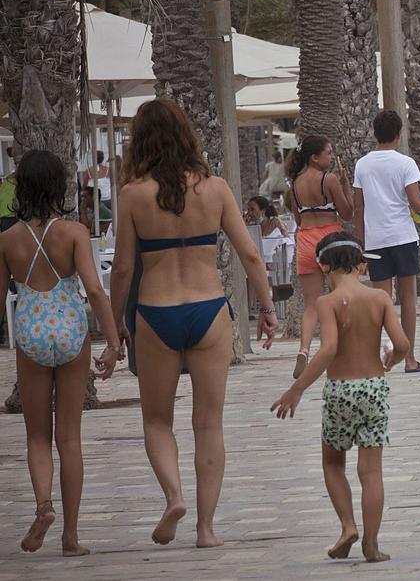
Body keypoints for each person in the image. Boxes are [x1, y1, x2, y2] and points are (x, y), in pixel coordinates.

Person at [109, 98, 276, 548]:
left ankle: (174, 496)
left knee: (157, 420)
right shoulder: (216, 188)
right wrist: (267, 309)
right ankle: (206, 529)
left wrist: (113, 326)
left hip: (156, 312)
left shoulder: (132, 195)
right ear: (186, 134)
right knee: (209, 422)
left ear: (138, 141)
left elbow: (123, 268)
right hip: (208, 310)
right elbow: (251, 254)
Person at [1, 151, 121, 556]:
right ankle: (71, 537)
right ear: (57, 185)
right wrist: (114, 341)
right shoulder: (74, 232)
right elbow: (94, 289)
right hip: (72, 333)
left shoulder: (7, 241)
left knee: (37, 435)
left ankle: (43, 505)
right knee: (69, 437)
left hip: (31, 335)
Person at [271, 231, 410, 564]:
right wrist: (394, 359)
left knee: (333, 462)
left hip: (340, 392)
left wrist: (297, 388)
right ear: (361, 266)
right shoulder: (379, 299)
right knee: (371, 471)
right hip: (375, 388)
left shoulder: (327, 303)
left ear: (323, 267)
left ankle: (348, 526)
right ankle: (372, 544)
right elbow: (402, 343)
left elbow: (329, 348)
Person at [353, 110, 420, 373]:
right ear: (399, 134)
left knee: (382, 300)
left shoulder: (362, 165)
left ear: (375, 134)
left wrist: (361, 241)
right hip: (403, 236)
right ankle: (409, 358)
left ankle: (379, 356)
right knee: (408, 298)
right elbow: (415, 202)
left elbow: (359, 207)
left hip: (376, 240)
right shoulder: (406, 163)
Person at [285, 134, 353, 379]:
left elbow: (298, 219)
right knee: (340, 296)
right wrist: (345, 184)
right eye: (329, 153)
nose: (332, 157)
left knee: (311, 303)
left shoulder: (294, 184)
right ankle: (337, 348)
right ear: (315, 158)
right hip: (330, 240)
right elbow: (347, 213)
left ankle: (304, 350)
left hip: (305, 239)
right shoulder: (330, 179)